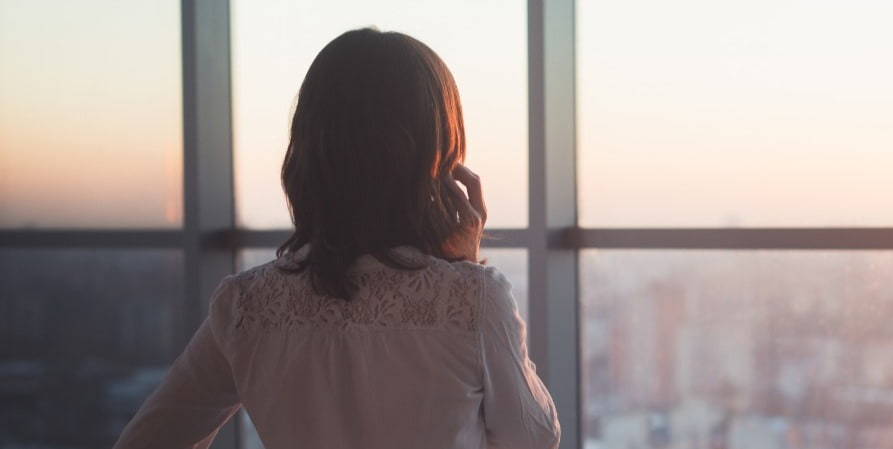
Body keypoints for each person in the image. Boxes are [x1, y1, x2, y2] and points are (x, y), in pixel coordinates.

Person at [113, 28, 560, 449]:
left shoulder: (246, 307)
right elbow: (535, 438)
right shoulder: (472, 300)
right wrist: (463, 268)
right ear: (438, 161)